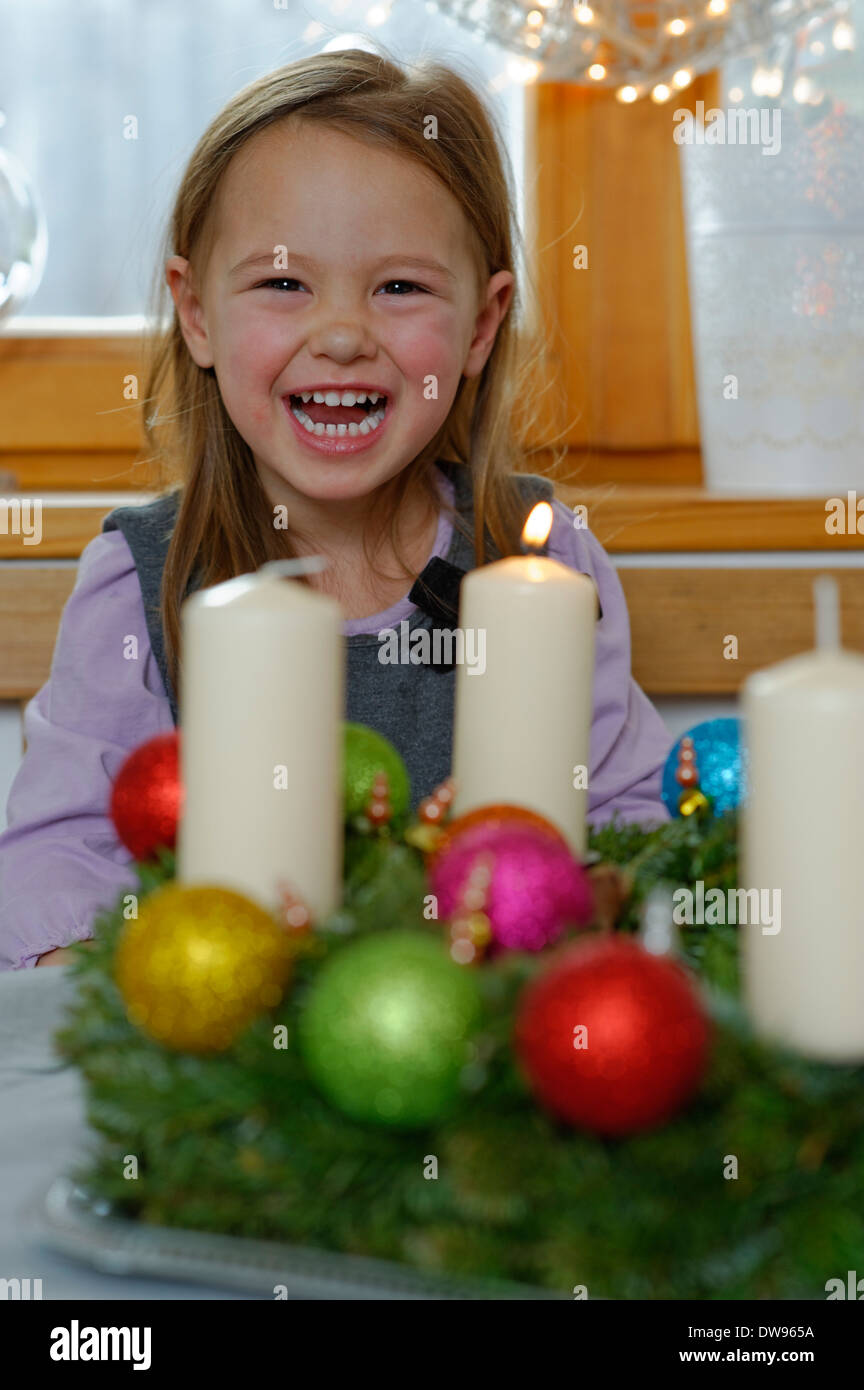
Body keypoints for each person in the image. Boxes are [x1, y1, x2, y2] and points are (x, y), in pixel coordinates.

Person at [0, 48, 670, 971]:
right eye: (283, 283)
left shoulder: (539, 567)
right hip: (222, 1066)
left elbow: (624, 823)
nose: (345, 334)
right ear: (196, 313)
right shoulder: (140, 583)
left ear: (482, 325)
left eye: (400, 287)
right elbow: (56, 856)